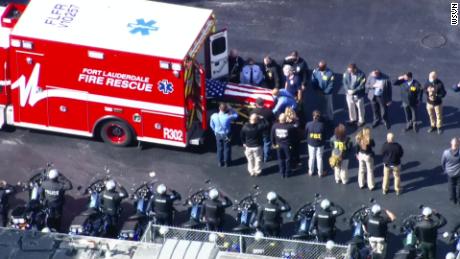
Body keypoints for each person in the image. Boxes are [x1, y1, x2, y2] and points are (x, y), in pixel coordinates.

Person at [210, 103, 238, 167]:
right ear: (226, 109)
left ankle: (220, 162)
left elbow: (211, 125)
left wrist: (215, 131)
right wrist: (231, 108)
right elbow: (236, 115)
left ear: (219, 108)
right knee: (227, 148)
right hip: (226, 134)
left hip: (218, 134)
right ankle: (226, 163)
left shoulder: (214, 116)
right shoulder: (228, 116)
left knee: (219, 148)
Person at [271, 113, 295, 178]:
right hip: (287, 145)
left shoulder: (275, 126)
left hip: (278, 145)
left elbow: (272, 135)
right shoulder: (290, 127)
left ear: (279, 119)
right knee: (288, 158)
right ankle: (287, 172)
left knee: (280, 159)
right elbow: (293, 137)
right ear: (286, 119)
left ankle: (282, 172)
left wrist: (273, 144)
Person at [252, 98, 275, 162]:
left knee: (258, 144)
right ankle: (266, 157)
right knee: (266, 143)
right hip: (266, 131)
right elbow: (273, 121)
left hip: (256, 131)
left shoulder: (253, 112)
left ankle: (259, 156)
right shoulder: (269, 111)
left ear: (256, 104)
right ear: (264, 103)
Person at [306, 110, 326, 177]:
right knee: (319, 158)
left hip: (311, 143)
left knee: (311, 158)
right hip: (320, 144)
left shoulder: (308, 124)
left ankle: (310, 171)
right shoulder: (322, 125)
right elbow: (325, 135)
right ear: (319, 117)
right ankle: (320, 173)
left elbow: (306, 132)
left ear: (313, 116)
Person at [442, 137, 460, 204]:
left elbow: (443, 162)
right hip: (459, 173)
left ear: (451, 143)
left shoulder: (446, 153)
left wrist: (445, 170)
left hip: (450, 173)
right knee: (459, 186)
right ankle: (459, 198)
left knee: (451, 186)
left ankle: (453, 199)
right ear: (458, 144)